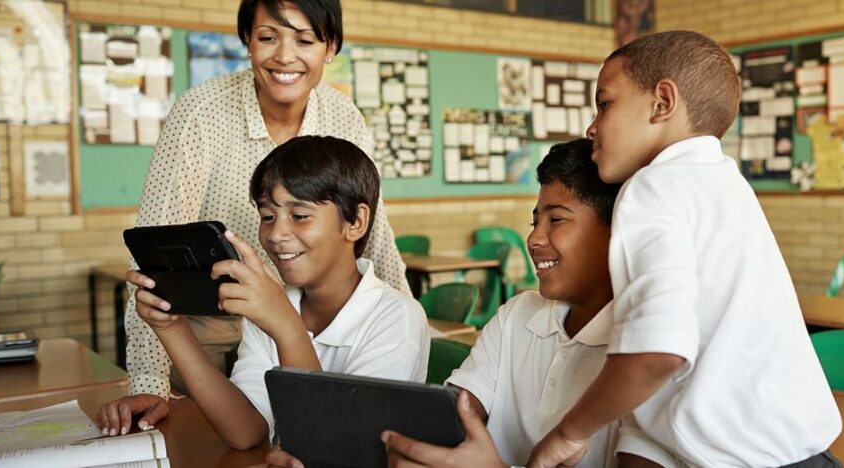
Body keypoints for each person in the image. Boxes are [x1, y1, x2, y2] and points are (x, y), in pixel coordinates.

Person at [529, 31, 842, 468]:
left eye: (605, 104)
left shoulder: (653, 187)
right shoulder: (724, 181)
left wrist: (569, 433)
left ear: (662, 102)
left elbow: (656, 352)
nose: (592, 127)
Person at [97, 0, 412, 433]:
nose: (285, 56)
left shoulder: (344, 118)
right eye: (268, 37)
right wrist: (150, 380)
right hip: (205, 321)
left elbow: (374, 233)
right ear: (247, 40)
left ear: (331, 47)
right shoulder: (202, 111)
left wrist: (398, 315)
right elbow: (154, 248)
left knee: (311, 433)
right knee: (209, 442)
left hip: (296, 314)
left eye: (305, 40)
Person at [267, 139, 677, 468]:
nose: (534, 238)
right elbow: (451, 418)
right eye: (535, 220)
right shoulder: (517, 316)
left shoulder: (646, 353)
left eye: (556, 219)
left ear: (617, 231)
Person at [96, 135, 429, 449]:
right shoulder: (272, 305)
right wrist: (172, 329)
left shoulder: (396, 319)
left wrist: (285, 326)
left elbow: (331, 446)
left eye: (299, 215)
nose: (276, 233)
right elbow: (245, 431)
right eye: (267, 216)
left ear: (355, 221)